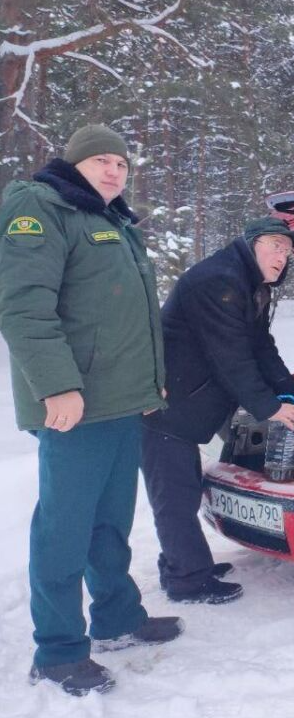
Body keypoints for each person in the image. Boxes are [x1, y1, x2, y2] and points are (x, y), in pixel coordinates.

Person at [0, 124, 183, 696]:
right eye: (101, 160)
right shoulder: (39, 206)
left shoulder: (111, 221)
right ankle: (57, 651)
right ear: (73, 164)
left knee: (111, 520)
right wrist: (56, 386)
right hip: (74, 405)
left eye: (122, 164)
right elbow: (25, 306)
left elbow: (119, 313)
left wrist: (153, 382)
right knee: (64, 528)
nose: (113, 171)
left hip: (121, 401)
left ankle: (117, 616)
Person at [141, 216, 294, 604]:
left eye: (287, 250)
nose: (282, 256)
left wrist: (291, 391)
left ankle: (188, 561)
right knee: (175, 495)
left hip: (193, 402)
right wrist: (268, 408)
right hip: (168, 405)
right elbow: (230, 356)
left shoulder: (249, 283)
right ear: (250, 244)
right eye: (274, 245)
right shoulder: (219, 280)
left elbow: (260, 345)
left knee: (181, 489)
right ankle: (186, 580)